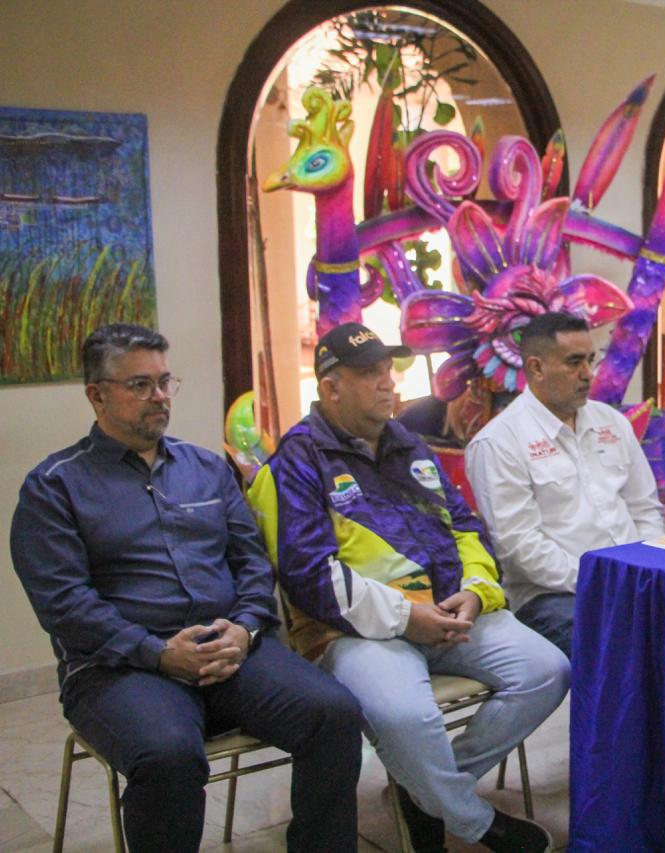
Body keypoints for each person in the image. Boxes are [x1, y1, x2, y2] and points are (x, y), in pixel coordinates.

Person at [9, 324, 362, 853]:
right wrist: (157, 654)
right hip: (120, 669)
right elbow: (64, 603)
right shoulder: (54, 486)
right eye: (140, 385)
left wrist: (245, 628)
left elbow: (250, 560)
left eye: (164, 381)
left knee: (333, 713)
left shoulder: (205, 468)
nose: (159, 397)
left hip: (230, 650)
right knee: (168, 756)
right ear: (97, 395)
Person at [247, 322, 567, 853]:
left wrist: (476, 592)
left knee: (547, 670)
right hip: (354, 632)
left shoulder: (410, 446)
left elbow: (467, 528)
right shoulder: (296, 462)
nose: (387, 382)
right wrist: (405, 617)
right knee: (404, 716)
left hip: (449, 613)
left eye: (387, 370)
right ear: (330, 387)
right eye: (368, 373)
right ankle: (473, 820)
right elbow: (308, 577)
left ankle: (422, 791)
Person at [466, 312, 664, 659]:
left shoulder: (612, 422)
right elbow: (521, 548)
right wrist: (603, 579)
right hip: (554, 596)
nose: (588, 374)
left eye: (590, 360)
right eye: (574, 362)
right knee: (626, 644)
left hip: (633, 577)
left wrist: (644, 567)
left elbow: (645, 508)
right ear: (536, 368)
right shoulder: (499, 442)